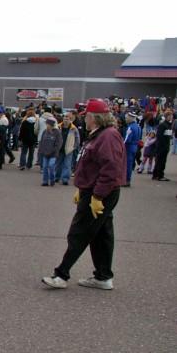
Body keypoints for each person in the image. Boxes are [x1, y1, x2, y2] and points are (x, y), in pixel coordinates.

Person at [43, 98, 125, 291]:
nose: (84, 120)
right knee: (101, 235)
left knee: (79, 233)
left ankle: (61, 274)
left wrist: (97, 196)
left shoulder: (107, 136)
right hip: (95, 190)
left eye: (86, 116)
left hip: (99, 192)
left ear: (94, 117)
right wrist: (82, 187)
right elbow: (94, 165)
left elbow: (110, 169)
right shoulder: (100, 134)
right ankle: (103, 276)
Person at [56, 113, 80, 185]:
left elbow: (77, 139)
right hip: (59, 148)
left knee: (67, 164)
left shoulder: (74, 129)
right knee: (58, 164)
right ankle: (56, 177)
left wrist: (74, 147)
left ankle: (65, 179)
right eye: (65, 118)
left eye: (67, 118)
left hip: (69, 149)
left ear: (70, 120)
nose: (66, 120)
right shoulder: (58, 127)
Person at [38, 116, 62, 186]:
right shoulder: (44, 132)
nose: (46, 125)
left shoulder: (57, 132)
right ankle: (45, 181)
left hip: (53, 154)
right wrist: (41, 151)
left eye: (47, 124)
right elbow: (42, 142)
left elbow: (58, 143)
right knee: (45, 167)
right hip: (45, 153)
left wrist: (54, 151)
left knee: (51, 166)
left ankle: (52, 179)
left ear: (51, 125)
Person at [151, 108, 173, 181]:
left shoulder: (168, 125)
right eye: (170, 116)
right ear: (166, 117)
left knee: (160, 161)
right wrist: (163, 146)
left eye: (171, 116)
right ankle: (159, 175)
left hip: (165, 146)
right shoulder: (163, 125)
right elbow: (159, 136)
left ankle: (156, 175)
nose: (171, 117)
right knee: (161, 161)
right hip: (161, 147)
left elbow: (168, 136)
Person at [122, 112, 142, 187]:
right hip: (135, 146)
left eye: (126, 118)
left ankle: (126, 180)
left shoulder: (130, 127)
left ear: (130, 118)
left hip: (129, 147)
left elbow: (127, 139)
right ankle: (127, 180)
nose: (125, 119)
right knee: (130, 164)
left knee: (127, 164)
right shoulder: (138, 126)